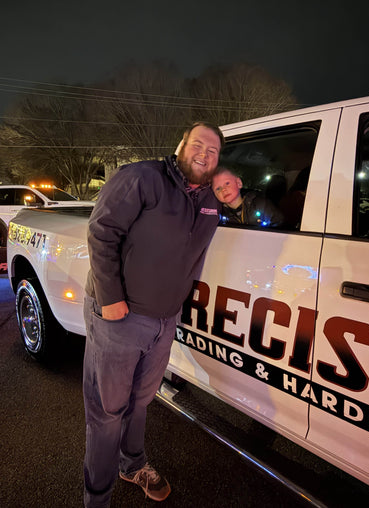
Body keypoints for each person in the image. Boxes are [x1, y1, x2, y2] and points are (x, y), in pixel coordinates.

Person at [82, 121, 224, 508]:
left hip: (164, 322)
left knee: (140, 402)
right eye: (198, 145)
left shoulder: (212, 196)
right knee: (108, 413)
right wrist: (110, 298)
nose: (204, 154)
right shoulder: (142, 177)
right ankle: (97, 497)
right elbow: (101, 232)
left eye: (213, 151)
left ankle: (133, 465)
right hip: (118, 316)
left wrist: (237, 193)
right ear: (181, 144)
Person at [212, 167, 283, 227]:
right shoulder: (218, 214)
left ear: (239, 183)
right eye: (218, 188)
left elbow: (279, 225)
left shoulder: (260, 205)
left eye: (227, 183)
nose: (223, 190)